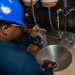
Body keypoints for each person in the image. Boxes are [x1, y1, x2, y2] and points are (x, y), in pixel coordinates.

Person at [0, 0, 54, 75]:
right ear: (5, 29)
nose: (21, 30)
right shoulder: (24, 62)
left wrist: (31, 36)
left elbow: (15, 48)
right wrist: (49, 70)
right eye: (20, 27)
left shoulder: (4, 46)